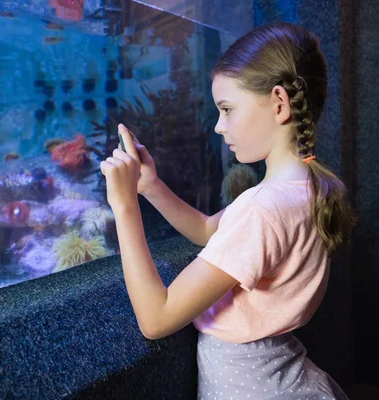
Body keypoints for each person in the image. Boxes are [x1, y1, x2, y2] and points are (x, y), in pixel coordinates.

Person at [99, 22, 355, 399]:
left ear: (280, 104)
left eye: (227, 109)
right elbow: (208, 230)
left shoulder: (263, 208)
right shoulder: (305, 187)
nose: (219, 126)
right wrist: (150, 187)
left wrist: (123, 206)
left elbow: (156, 318)